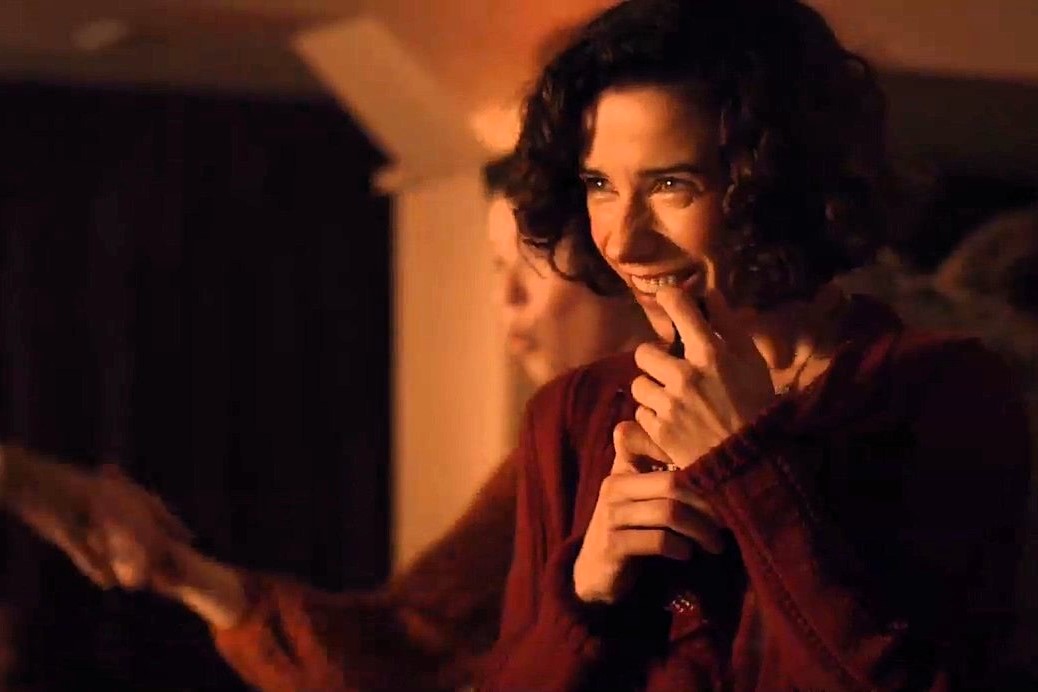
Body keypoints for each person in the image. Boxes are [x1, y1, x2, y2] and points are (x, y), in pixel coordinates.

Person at [476, 0, 1031, 689]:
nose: (622, 240)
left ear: (778, 184)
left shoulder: (942, 393)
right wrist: (585, 595)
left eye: (671, 185)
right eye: (599, 185)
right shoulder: (573, 413)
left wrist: (745, 465)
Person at [0, 153, 653, 691]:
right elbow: (406, 640)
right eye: (496, 268)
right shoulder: (553, 445)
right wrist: (181, 571)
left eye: (532, 265)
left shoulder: (661, 432)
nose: (505, 300)